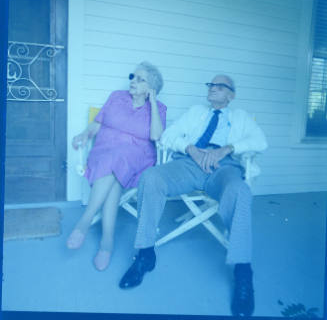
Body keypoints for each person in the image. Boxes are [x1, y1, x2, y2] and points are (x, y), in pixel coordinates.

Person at [119, 74, 268, 317]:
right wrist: (190, 149)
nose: (212, 89)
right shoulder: (195, 111)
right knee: (151, 177)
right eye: (211, 85)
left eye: (220, 87)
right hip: (188, 164)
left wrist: (228, 149)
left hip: (224, 167)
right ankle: (145, 254)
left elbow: (260, 142)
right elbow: (168, 136)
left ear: (231, 95)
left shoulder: (241, 117)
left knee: (240, 190)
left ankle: (243, 272)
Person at [66, 61, 167, 272]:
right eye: (133, 76)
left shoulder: (159, 109)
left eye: (141, 79)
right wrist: (85, 134)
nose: (133, 81)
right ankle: (107, 243)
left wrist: (154, 101)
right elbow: (97, 124)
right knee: (113, 171)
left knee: (118, 159)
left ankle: (84, 223)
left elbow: (156, 136)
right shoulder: (116, 97)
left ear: (151, 88)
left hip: (137, 159)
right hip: (104, 151)